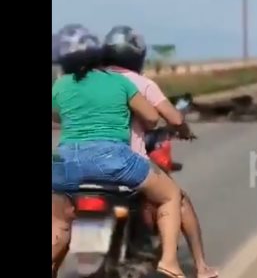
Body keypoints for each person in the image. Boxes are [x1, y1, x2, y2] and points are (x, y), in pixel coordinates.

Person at [51, 25, 186, 278]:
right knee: (170, 195)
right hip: (113, 161)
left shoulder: (61, 86)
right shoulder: (118, 82)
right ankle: (169, 261)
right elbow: (152, 118)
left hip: (67, 164)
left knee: (59, 222)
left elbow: (56, 115)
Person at [101, 25, 218, 278]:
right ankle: (193, 265)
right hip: (127, 164)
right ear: (137, 55)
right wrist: (184, 130)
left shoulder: (89, 83)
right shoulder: (140, 84)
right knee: (177, 198)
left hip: (84, 164)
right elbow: (173, 119)